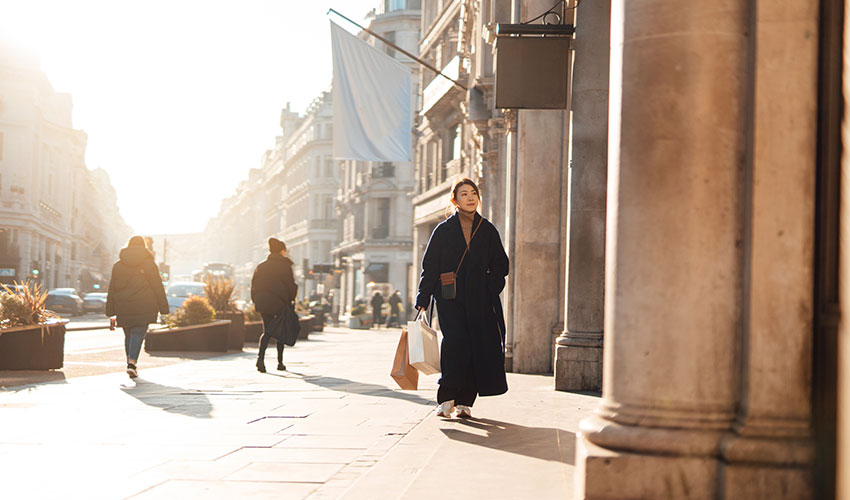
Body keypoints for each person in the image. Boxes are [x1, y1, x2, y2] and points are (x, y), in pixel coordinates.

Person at [416, 178, 509, 419]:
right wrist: (423, 296)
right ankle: (446, 398)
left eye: (473, 193)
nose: (470, 197)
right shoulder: (443, 230)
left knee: (476, 346)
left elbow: (501, 264)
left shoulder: (487, 229)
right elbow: (430, 266)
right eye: (464, 193)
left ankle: (466, 402)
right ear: (454, 200)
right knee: (456, 344)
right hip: (450, 298)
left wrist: (490, 287)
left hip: (480, 299)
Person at [105, 235, 169, 379]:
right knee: (138, 333)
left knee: (129, 334)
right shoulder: (149, 264)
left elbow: (112, 288)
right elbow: (157, 286)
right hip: (144, 305)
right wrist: (163, 308)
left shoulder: (118, 265)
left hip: (123, 305)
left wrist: (110, 310)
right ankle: (132, 363)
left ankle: (130, 362)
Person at [250, 237, 298, 372]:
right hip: (280, 302)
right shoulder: (285, 266)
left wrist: (256, 300)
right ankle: (280, 362)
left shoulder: (261, 266)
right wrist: (291, 298)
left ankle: (260, 360)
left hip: (264, 303)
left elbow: (254, 285)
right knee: (280, 331)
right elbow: (290, 285)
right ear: (282, 251)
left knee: (267, 331)